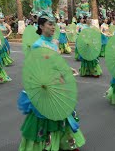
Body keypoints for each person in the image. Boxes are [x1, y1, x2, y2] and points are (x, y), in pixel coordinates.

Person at [18, 15, 85, 151]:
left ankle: (62, 142)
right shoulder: (37, 45)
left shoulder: (54, 43)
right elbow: (38, 67)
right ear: (41, 26)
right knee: (46, 114)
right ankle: (46, 144)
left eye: (54, 24)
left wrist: (66, 69)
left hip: (58, 83)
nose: (53, 27)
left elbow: (56, 62)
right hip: (46, 84)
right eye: (50, 24)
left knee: (60, 112)